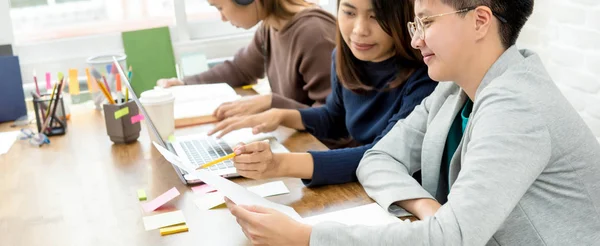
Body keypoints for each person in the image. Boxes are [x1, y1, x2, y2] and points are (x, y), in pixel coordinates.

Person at [224, 0, 600, 245]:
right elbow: (377, 158)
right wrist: (427, 207)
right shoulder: (453, 90)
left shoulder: (517, 107)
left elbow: (449, 238)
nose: (416, 40)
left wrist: (308, 238)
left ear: (480, 21)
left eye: (426, 22)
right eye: (414, 25)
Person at [208, 0, 437, 187]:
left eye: (375, 16)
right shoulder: (344, 56)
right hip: (365, 184)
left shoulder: (426, 76)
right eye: (348, 12)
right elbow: (334, 117)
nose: (359, 30)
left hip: (400, 194)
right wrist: (282, 115)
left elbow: (381, 154)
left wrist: (281, 164)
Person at [157, 0, 336, 120]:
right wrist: (184, 83)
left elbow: (333, 118)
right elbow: (240, 69)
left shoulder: (313, 34)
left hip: (328, 155)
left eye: (220, 7)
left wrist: (271, 102)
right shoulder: (270, 26)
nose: (223, 18)